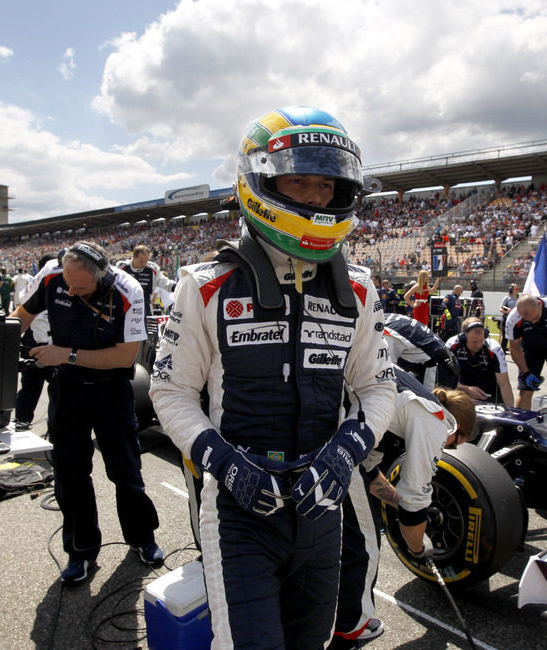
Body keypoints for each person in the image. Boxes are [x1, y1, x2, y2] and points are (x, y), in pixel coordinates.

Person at [149, 106, 396, 649]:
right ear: (260, 182)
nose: (313, 196)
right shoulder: (206, 284)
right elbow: (169, 390)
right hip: (241, 512)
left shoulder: (357, 288)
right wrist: (223, 463)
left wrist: (344, 454)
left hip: (321, 504)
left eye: (326, 183)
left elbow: (378, 388)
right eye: (298, 180)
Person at [11, 241, 163, 583]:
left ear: (103, 278)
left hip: (112, 390)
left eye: (81, 287)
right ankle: (79, 552)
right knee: (70, 474)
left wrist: (65, 353)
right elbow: (19, 318)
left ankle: (142, 538)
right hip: (67, 390)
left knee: (126, 472)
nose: (73, 290)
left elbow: (126, 357)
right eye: (69, 284)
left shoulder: (129, 289)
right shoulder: (52, 277)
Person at [332, 368, 475, 648]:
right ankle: (350, 629)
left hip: (332, 420)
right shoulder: (437, 421)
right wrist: (419, 547)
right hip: (335, 429)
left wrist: (396, 501)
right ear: (457, 432)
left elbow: (369, 472)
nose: (449, 450)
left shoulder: (406, 404)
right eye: (454, 446)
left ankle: (330, 614)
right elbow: (414, 506)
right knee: (365, 544)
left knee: (345, 535)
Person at [13, 254, 57, 431]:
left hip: (57, 347)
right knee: (30, 387)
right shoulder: (33, 290)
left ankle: (55, 425)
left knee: (58, 390)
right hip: (34, 346)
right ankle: (22, 422)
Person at [439, 317, 515, 407]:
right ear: (464, 338)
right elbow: (443, 380)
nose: (479, 345)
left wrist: (510, 411)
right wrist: (467, 389)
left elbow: (504, 384)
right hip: (461, 391)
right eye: (474, 342)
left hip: (489, 392)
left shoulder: (494, 348)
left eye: (481, 340)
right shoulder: (452, 345)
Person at [496, 283, 520, 353]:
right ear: (511, 290)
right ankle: (502, 351)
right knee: (505, 337)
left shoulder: (519, 299)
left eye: (518, 289)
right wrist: (507, 311)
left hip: (516, 319)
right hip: (507, 319)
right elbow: (501, 308)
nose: (518, 291)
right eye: (516, 289)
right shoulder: (507, 298)